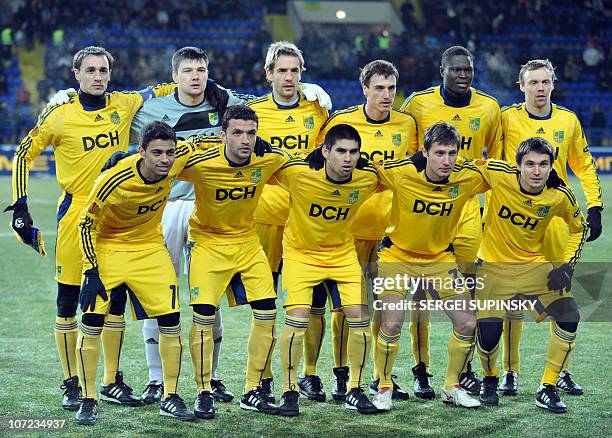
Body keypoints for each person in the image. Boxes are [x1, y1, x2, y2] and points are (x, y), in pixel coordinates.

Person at [6, 46, 173, 411]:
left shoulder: (125, 103)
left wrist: (219, 93)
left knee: (113, 300)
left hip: (116, 216)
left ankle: (111, 380)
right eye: (91, 70)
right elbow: (23, 153)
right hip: (75, 214)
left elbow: (165, 88)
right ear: (76, 74)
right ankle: (71, 383)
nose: (98, 76)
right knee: (68, 302)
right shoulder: (60, 115)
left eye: (103, 70)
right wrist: (21, 204)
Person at [130, 46, 247, 405]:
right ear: (175, 76)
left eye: (201, 69)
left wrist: (306, 90)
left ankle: (208, 379)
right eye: (188, 71)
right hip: (165, 208)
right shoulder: (150, 110)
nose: (195, 76)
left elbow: (269, 101)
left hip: (208, 209)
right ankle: (155, 379)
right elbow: (108, 109)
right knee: (159, 292)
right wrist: (69, 96)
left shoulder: (223, 103)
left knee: (206, 296)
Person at [75, 121, 198, 425]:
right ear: (141, 152)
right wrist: (91, 270)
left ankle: (170, 396)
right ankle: (89, 398)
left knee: (171, 318)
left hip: (149, 248)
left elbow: (203, 143)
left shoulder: (176, 157)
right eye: (157, 153)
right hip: (108, 248)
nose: (165, 160)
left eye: (169, 152)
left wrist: (259, 145)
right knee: (91, 321)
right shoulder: (112, 179)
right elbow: (85, 224)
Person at [400, 45, 502, 399]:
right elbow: (408, 153)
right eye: (456, 69)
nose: (463, 74)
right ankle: (421, 369)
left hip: (468, 209)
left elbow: (499, 161)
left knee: (466, 293)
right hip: (425, 207)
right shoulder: (418, 103)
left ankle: (462, 371)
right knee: (419, 294)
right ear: (441, 70)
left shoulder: (489, 107)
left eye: (468, 69)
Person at [498, 59, 603, 396]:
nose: (540, 88)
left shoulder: (567, 120)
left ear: (553, 84)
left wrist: (595, 205)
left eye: (545, 82)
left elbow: (584, 165)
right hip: (515, 222)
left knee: (562, 295)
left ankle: (560, 373)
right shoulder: (507, 118)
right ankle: (510, 371)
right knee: (512, 300)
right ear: (522, 85)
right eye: (533, 82)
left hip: (557, 222)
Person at [178, 105, 289, 419]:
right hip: (207, 243)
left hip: (247, 243)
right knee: (203, 316)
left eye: (251, 133)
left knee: (267, 310)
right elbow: (161, 164)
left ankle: (252, 389)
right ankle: (203, 391)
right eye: (237, 133)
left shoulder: (266, 160)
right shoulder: (201, 162)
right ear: (222, 135)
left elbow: (301, 165)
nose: (245, 140)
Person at [316, 59, 417, 401]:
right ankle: (341, 376)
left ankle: (379, 376)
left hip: (391, 234)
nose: (386, 95)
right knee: (347, 308)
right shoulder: (343, 122)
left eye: (391, 88)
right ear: (365, 89)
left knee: (383, 307)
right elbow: (319, 165)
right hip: (348, 231)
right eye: (379, 88)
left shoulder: (408, 125)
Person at [371, 122, 489, 411]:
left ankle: (452, 387)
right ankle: (383, 385)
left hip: (439, 259)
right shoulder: (402, 172)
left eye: (451, 153)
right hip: (397, 256)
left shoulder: (466, 178)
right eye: (438, 153)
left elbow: (504, 173)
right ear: (424, 152)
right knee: (392, 321)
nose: (446, 160)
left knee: (468, 322)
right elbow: (368, 166)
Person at [274, 124, 381, 417]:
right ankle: (288, 389)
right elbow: (268, 165)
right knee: (297, 318)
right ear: (325, 152)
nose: (348, 158)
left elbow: (394, 177)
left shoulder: (366, 177)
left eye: (354, 152)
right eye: (341, 151)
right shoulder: (299, 173)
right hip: (300, 254)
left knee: (359, 316)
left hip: (342, 254)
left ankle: (355, 389)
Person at [476, 137, 588, 414]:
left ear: (551, 167)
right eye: (529, 164)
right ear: (518, 166)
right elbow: (463, 166)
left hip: (534, 266)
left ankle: (547, 386)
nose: (536, 171)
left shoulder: (559, 194)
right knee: (489, 332)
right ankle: (489, 380)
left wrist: (565, 267)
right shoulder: (499, 174)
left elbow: (578, 228)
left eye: (543, 164)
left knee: (569, 314)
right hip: (492, 266)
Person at [247, 41, 329, 402]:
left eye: (295, 70)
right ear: (269, 74)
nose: (290, 77)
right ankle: (263, 377)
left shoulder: (319, 109)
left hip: (308, 219)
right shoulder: (252, 112)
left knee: (312, 303)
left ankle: (310, 374)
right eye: (282, 70)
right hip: (266, 217)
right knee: (265, 301)